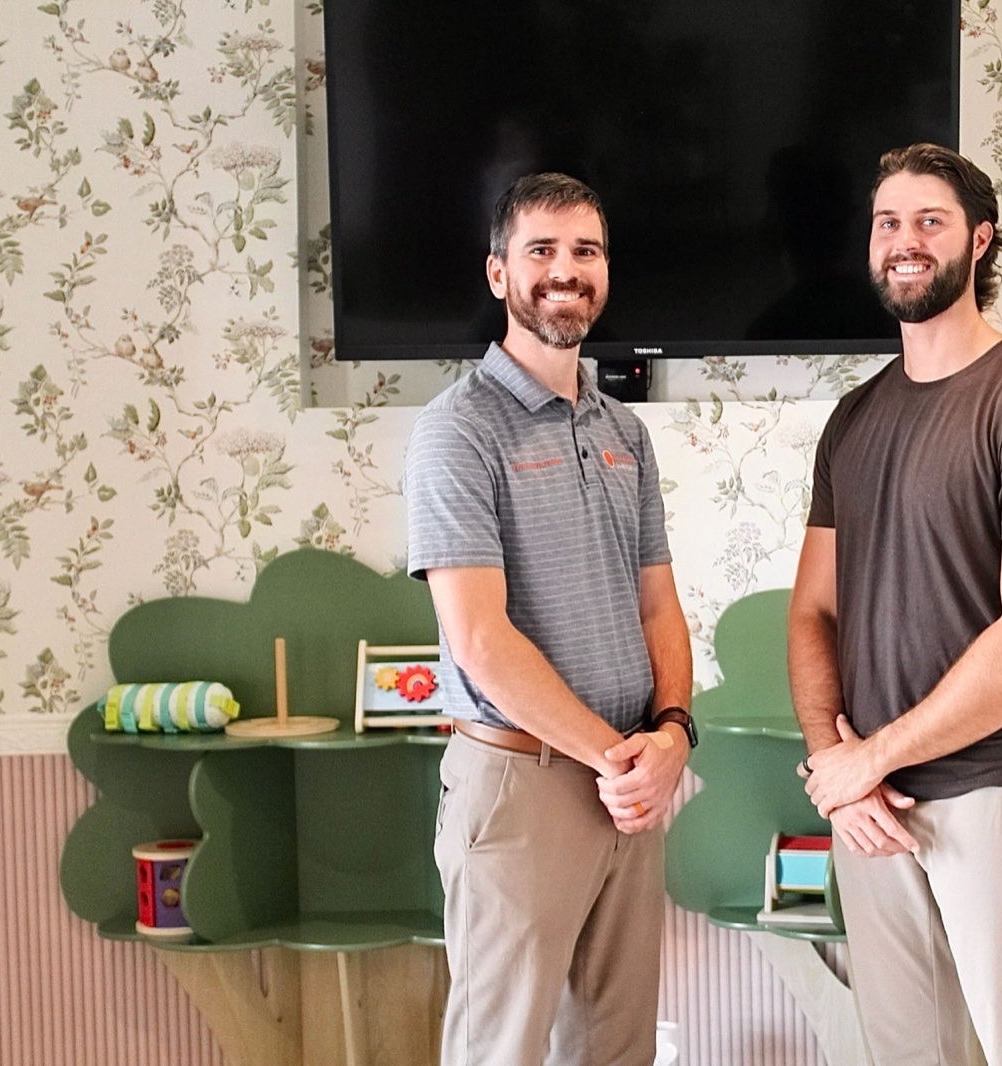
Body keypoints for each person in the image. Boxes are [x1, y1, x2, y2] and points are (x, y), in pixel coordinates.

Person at [788, 144, 1002, 1066]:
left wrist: (867, 760)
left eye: (929, 220)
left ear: (980, 240)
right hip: (873, 808)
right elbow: (814, 611)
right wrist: (834, 763)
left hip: (994, 792)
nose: (903, 241)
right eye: (887, 222)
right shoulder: (855, 418)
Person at [405, 172, 695, 1066]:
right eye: (541, 250)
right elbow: (481, 642)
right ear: (498, 274)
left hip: (629, 788)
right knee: (503, 1051)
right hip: (523, 785)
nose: (565, 271)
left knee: (617, 1050)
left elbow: (659, 603)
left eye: (586, 252)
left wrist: (675, 734)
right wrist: (617, 758)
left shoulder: (622, 430)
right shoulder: (457, 432)